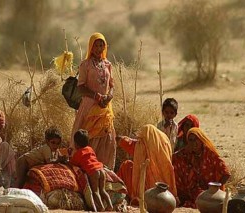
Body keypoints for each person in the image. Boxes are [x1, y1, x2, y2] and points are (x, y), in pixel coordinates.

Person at [71, 32, 116, 170]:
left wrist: (109, 96)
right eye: (96, 45)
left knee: (107, 140)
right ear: (91, 47)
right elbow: (81, 87)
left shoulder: (108, 64)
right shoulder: (85, 65)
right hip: (90, 106)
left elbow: (112, 85)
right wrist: (96, 96)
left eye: (101, 44)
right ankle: (87, 169)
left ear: (105, 46)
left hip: (105, 108)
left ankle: (105, 172)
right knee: (88, 138)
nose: (99, 48)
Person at [116, 124, 177, 204]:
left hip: (146, 191)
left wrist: (118, 138)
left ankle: (121, 195)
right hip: (167, 193)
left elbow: (130, 144)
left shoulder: (143, 146)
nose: (140, 140)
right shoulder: (164, 141)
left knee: (126, 165)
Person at [172, 127, 231, 208]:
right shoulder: (190, 153)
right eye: (191, 140)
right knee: (177, 162)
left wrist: (216, 188)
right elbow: (174, 157)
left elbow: (226, 173)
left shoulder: (209, 153)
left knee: (204, 201)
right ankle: (183, 196)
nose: (194, 143)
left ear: (201, 140)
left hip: (210, 192)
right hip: (195, 190)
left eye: (196, 139)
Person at [70, 129, 113, 212]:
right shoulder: (90, 149)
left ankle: (101, 207)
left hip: (93, 171)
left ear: (76, 144)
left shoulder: (78, 153)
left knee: (95, 191)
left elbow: (72, 163)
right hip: (101, 169)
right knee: (103, 190)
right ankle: (110, 205)